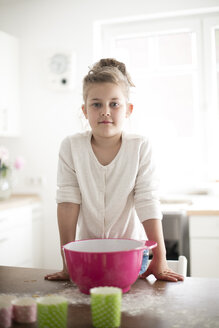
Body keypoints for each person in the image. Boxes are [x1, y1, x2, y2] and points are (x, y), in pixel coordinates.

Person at [45, 58, 184, 282]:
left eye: (114, 104)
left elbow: (147, 199)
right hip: (87, 258)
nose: (105, 112)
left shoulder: (139, 146)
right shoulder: (71, 146)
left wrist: (160, 258)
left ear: (128, 109)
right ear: (85, 110)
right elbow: (68, 202)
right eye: (96, 104)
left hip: (133, 259)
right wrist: (67, 261)